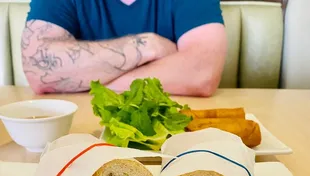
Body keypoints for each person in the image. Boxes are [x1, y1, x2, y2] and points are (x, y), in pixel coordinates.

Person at [22, 0, 227, 97]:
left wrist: (84, 79)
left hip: (176, 133)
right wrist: (146, 45)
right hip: (80, 134)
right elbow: (38, 69)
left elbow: (201, 74)